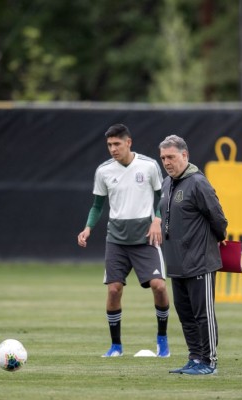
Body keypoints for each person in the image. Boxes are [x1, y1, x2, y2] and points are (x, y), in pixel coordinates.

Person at [77, 123, 170, 358]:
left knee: (159, 286)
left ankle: (162, 340)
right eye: (109, 145)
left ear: (128, 142)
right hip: (116, 239)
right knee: (114, 290)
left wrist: (157, 220)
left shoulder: (149, 166)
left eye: (117, 144)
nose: (112, 149)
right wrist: (88, 228)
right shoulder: (104, 171)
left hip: (145, 238)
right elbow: (97, 206)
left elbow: (162, 198)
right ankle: (116, 346)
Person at [157, 134, 227, 375]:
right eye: (163, 157)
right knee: (186, 315)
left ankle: (209, 361)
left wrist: (212, 242)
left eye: (171, 157)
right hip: (176, 263)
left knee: (203, 314)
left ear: (185, 156)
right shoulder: (166, 184)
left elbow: (218, 218)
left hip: (200, 262)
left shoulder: (198, 182)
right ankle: (195, 358)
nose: (167, 162)